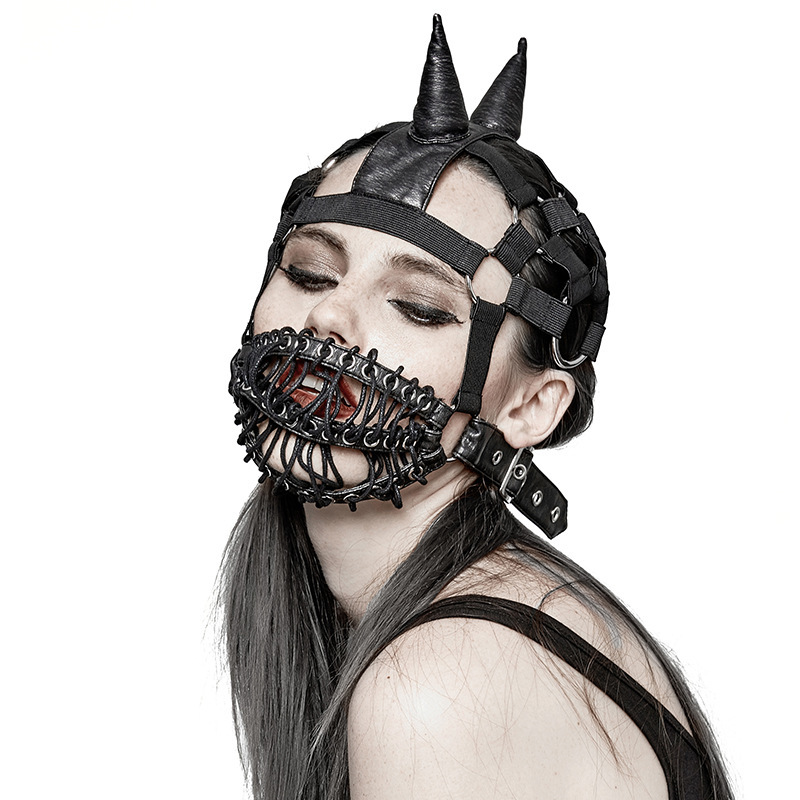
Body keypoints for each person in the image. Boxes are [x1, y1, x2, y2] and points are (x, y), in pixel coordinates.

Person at [221, 16, 732, 800]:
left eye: (419, 308)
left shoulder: (442, 680)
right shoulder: (454, 628)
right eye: (310, 272)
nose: (327, 316)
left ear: (532, 405)